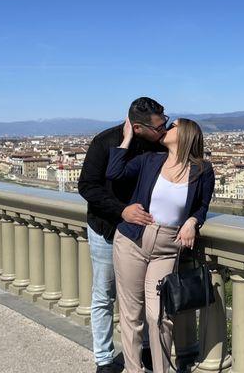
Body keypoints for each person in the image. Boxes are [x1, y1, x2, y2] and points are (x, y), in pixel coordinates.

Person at [106, 117, 215, 373]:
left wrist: (191, 222)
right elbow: (114, 174)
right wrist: (127, 138)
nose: (166, 129)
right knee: (131, 315)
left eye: (173, 125)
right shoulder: (150, 160)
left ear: (186, 133)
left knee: (159, 316)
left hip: (167, 248)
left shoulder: (202, 169)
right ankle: (134, 370)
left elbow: (202, 207)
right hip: (132, 240)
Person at [78, 97, 169, 373]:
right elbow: (87, 187)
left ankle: (144, 350)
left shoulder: (156, 141)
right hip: (107, 229)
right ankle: (105, 360)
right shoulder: (103, 143)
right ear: (138, 128)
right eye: (159, 127)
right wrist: (122, 211)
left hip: (141, 234)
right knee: (105, 295)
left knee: (140, 296)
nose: (163, 130)